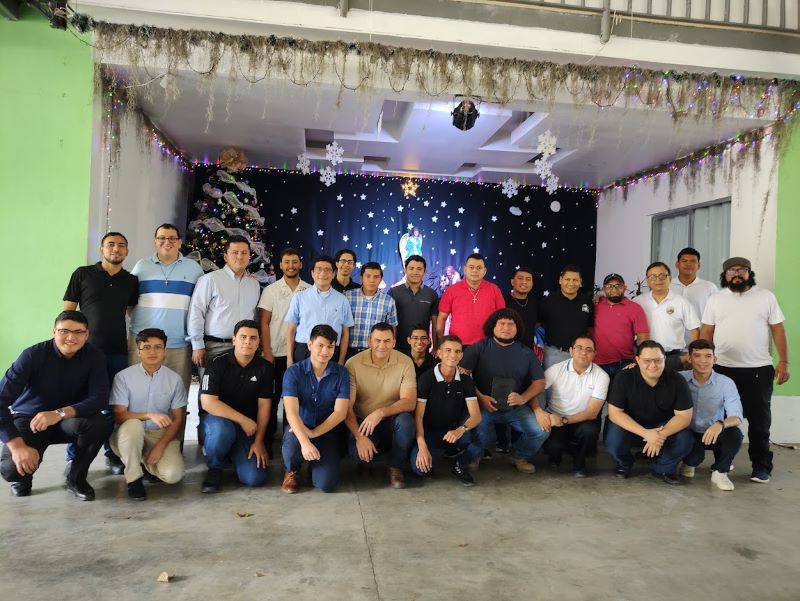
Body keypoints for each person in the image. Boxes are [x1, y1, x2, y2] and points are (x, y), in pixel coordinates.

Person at [700, 256, 789, 484]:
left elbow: (778, 329)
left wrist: (783, 362)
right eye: (731, 270)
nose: (737, 274)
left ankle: (761, 467)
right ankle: (723, 462)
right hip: (722, 368)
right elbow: (707, 332)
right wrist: (702, 361)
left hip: (758, 369)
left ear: (749, 273)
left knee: (760, 423)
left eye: (741, 269)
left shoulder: (765, 297)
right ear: (725, 275)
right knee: (720, 418)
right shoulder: (716, 299)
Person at [0, 311, 108, 500]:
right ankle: (23, 478)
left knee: (99, 423)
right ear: (54, 332)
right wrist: (17, 447)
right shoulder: (32, 355)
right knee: (12, 470)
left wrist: (58, 413)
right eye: (64, 331)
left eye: (78, 332)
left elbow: (99, 398)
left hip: (68, 420)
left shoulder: (95, 357)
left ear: (87, 334)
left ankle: (76, 478)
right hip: (31, 421)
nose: (71, 338)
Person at [63, 231, 138, 474]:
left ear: (126, 251)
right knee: (80, 402)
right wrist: (68, 344)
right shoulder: (82, 274)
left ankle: (112, 454)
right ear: (101, 249)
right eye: (111, 244)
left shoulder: (130, 280)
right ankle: (73, 458)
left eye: (121, 245)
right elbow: (68, 312)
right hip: (85, 352)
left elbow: (131, 313)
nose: (116, 249)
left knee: (115, 404)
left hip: (117, 352)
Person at [461, 309, 548, 474]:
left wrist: (523, 398)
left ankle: (518, 456)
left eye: (510, 324)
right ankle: (475, 455)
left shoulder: (527, 353)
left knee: (540, 431)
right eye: (501, 323)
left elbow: (539, 382)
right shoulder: (477, 348)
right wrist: (480, 397)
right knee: (472, 428)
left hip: (516, 408)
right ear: (492, 326)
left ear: (517, 328)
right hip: (482, 407)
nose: (506, 327)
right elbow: (462, 376)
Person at [110, 328, 187, 500]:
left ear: (165, 351)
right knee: (134, 425)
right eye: (146, 347)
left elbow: (177, 419)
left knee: (173, 475)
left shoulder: (174, 380)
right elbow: (119, 415)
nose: (152, 352)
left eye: (158, 347)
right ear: (138, 351)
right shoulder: (123, 377)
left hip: (158, 434)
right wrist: (150, 415)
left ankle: (142, 461)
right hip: (128, 434)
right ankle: (134, 479)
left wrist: (160, 447)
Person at [604, 340, 694, 485]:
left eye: (658, 360)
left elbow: (684, 416)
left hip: (663, 427)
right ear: (637, 360)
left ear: (664, 359)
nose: (653, 365)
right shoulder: (624, 378)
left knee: (685, 439)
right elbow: (615, 413)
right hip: (631, 426)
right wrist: (646, 434)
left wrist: (660, 435)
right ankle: (625, 462)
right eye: (647, 361)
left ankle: (663, 468)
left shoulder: (677, 380)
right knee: (614, 438)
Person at [199, 320, 273, 493]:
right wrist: (242, 420)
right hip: (217, 422)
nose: (247, 342)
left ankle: (232, 452)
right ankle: (215, 467)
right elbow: (208, 402)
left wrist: (259, 441)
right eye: (243, 337)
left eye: (253, 338)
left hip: (247, 429)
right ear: (233, 339)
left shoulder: (265, 368)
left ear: (259, 342)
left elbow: (264, 407)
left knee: (255, 478)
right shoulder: (216, 362)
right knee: (222, 431)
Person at [128, 223, 204, 391]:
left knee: (176, 393)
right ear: (155, 241)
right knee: (137, 391)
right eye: (161, 238)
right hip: (142, 342)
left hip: (179, 343)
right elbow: (128, 301)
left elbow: (201, 305)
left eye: (172, 238)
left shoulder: (194, 269)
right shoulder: (141, 266)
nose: (167, 242)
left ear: (179, 242)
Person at [280, 325, 350, 494]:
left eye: (330, 346)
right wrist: (305, 441)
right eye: (320, 345)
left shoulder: (341, 373)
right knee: (292, 441)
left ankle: (315, 464)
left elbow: (340, 413)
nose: (325, 351)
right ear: (310, 345)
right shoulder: (293, 372)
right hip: (299, 428)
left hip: (327, 431)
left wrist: (314, 433)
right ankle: (291, 471)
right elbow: (291, 412)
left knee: (326, 484)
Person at [345, 323, 416, 489]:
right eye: (377, 340)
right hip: (364, 424)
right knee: (357, 455)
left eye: (387, 341)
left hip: (391, 421)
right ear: (369, 341)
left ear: (394, 342)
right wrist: (359, 437)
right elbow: (347, 408)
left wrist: (381, 412)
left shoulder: (405, 362)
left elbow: (409, 401)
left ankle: (396, 466)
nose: (382, 346)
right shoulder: (353, 363)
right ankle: (367, 459)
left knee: (406, 421)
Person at [257, 248, 311, 454]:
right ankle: (267, 442)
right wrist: (267, 352)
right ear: (280, 265)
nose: (291, 266)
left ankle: (293, 442)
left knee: (297, 400)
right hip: (276, 353)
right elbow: (264, 323)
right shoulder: (271, 291)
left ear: (301, 264)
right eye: (287, 262)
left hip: (300, 355)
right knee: (271, 399)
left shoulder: (309, 290)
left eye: (295, 262)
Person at [411, 335, 482, 486]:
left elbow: (476, 415)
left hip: (453, 432)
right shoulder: (426, 379)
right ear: (439, 353)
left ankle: (460, 464)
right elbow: (418, 417)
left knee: (482, 437)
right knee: (421, 470)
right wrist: (422, 446)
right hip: (429, 433)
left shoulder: (466, 380)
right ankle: (436, 453)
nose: (452, 355)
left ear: (461, 355)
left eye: (457, 351)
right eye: (448, 350)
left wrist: (460, 430)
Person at [188, 235, 261, 371]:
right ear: (226, 256)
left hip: (245, 348)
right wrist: (197, 345)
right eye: (235, 252)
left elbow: (255, 316)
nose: (240, 257)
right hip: (215, 347)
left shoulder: (254, 284)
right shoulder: (210, 280)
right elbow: (196, 312)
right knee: (212, 385)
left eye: (244, 253)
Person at [679, 339, 744, 491]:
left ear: (715, 359)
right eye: (697, 356)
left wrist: (720, 424)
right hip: (689, 432)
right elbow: (656, 373)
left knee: (735, 435)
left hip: (714, 431)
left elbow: (736, 416)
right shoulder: (679, 378)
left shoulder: (726, 383)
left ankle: (720, 472)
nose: (703, 361)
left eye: (708, 356)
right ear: (689, 358)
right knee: (694, 458)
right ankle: (689, 462)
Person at [541, 336, 609, 477]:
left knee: (589, 432)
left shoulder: (601, 376)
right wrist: (540, 412)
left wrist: (564, 420)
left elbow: (592, 412)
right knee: (552, 447)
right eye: (579, 348)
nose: (583, 352)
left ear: (594, 354)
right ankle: (558, 453)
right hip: (556, 416)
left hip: (584, 419)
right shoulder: (556, 369)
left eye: (589, 349)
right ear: (571, 351)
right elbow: (536, 389)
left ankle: (579, 462)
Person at [285, 255, 354, 366]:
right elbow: (291, 331)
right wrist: (289, 359)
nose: (322, 273)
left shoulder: (342, 300)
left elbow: (345, 333)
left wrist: (341, 360)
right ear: (312, 273)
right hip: (304, 350)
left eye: (327, 270)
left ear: (333, 274)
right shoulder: (299, 297)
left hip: (331, 351)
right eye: (318, 269)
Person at [634, 262, 700, 371]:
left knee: (674, 382)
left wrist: (692, 353)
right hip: (646, 357)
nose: (658, 280)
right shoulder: (638, 302)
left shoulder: (681, 302)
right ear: (647, 281)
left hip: (674, 357)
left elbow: (694, 330)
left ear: (669, 279)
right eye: (653, 276)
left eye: (662, 276)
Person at [436, 254, 505, 347]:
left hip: (488, 344)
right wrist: (441, 342)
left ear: (484, 271)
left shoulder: (494, 289)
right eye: (471, 267)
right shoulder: (451, 290)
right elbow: (442, 318)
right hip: (457, 345)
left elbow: (502, 318)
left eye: (479, 268)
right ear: (465, 269)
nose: (475, 271)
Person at [594, 273, 649, 379]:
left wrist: (640, 361)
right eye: (609, 286)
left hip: (625, 363)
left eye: (618, 285)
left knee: (622, 390)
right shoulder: (596, 306)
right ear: (604, 289)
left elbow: (643, 338)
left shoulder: (635, 308)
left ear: (625, 287)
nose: (614, 289)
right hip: (598, 364)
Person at [538, 265, 594, 369]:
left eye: (575, 280)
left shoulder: (587, 302)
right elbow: (538, 325)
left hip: (580, 355)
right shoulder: (548, 301)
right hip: (554, 354)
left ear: (580, 282)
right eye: (567, 279)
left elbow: (590, 327)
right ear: (560, 280)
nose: (571, 283)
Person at [345, 262, 398, 359]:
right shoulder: (348, 296)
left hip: (377, 351)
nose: (372, 280)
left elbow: (392, 328)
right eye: (368, 276)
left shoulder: (388, 301)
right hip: (350, 351)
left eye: (376, 277)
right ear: (361, 278)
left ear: (381, 279)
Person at [389, 255, 439, 354]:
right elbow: (388, 322)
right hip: (397, 347)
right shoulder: (394, 292)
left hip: (422, 347)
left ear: (425, 272)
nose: (415, 272)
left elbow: (435, 324)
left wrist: (435, 347)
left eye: (419, 269)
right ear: (405, 270)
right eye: (411, 268)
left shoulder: (432, 294)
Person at [670, 247, 718, 324]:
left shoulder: (709, 287)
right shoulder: (667, 286)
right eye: (684, 261)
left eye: (693, 261)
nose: (688, 264)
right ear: (677, 264)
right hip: (671, 331)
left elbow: (716, 315)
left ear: (699, 265)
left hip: (701, 331)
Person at [504, 267, 538, 349]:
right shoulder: (503, 302)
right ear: (512, 282)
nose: (524, 282)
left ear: (532, 284)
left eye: (528, 279)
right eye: (520, 278)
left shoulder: (536, 303)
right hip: (505, 350)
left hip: (528, 351)